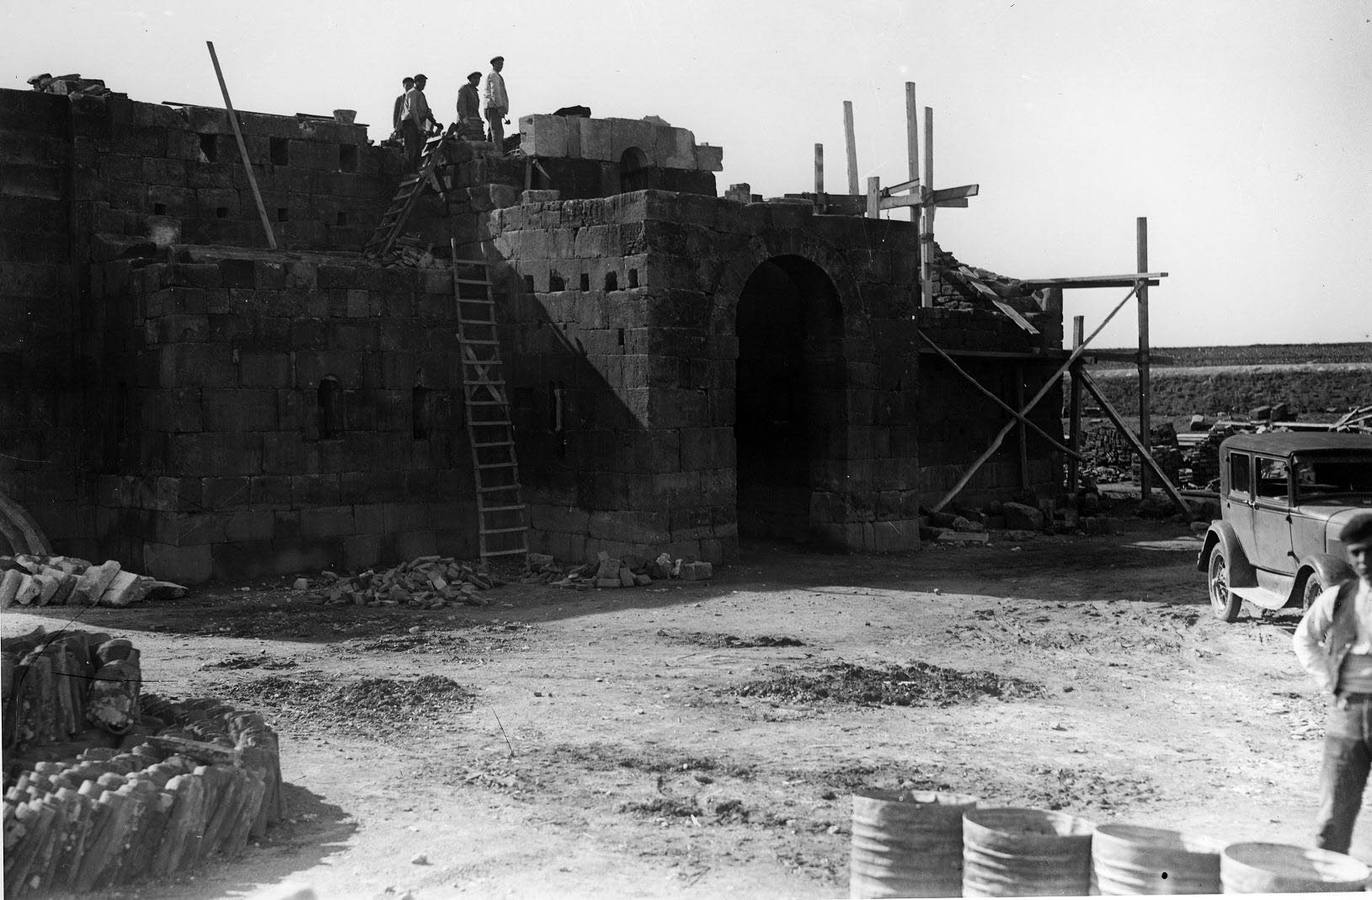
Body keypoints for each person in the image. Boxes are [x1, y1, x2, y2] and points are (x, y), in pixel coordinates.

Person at [1293, 512, 1372, 853]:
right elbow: (1303, 638)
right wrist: (1329, 681)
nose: (1363, 560)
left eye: (1370, 550)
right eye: (1356, 553)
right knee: (1333, 816)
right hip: (1347, 714)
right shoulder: (1338, 597)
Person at [400, 73, 438, 171]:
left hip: (418, 123)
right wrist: (419, 127)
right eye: (422, 82)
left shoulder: (421, 95)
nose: (424, 85)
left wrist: (435, 123)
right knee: (411, 148)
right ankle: (409, 170)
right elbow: (413, 110)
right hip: (410, 123)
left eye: (424, 83)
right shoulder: (412, 93)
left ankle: (415, 169)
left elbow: (426, 111)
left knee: (418, 148)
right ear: (416, 82)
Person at [483, 56, 509, 149]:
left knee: (492, 131)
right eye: (499, 64)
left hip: (491, 107)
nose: (501, 66)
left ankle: (490, 152)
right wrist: (500, 107)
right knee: (497, 132)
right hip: (493, 107)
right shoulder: (493, 75)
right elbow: (495, 92)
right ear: (493, 64)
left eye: (502, 64)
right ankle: (497, 153)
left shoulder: (495, 75)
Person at [455, 71, 484, 140]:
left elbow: (476, 109)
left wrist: (479, 120)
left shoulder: (475, 91)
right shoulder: (464, 89)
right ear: (470, 79)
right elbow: (461, 106)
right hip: (465, 121)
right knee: (465, 141)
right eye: (475, 78)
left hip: (474, 121)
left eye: (478, 79)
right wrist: (464, 119)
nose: (477, 80)